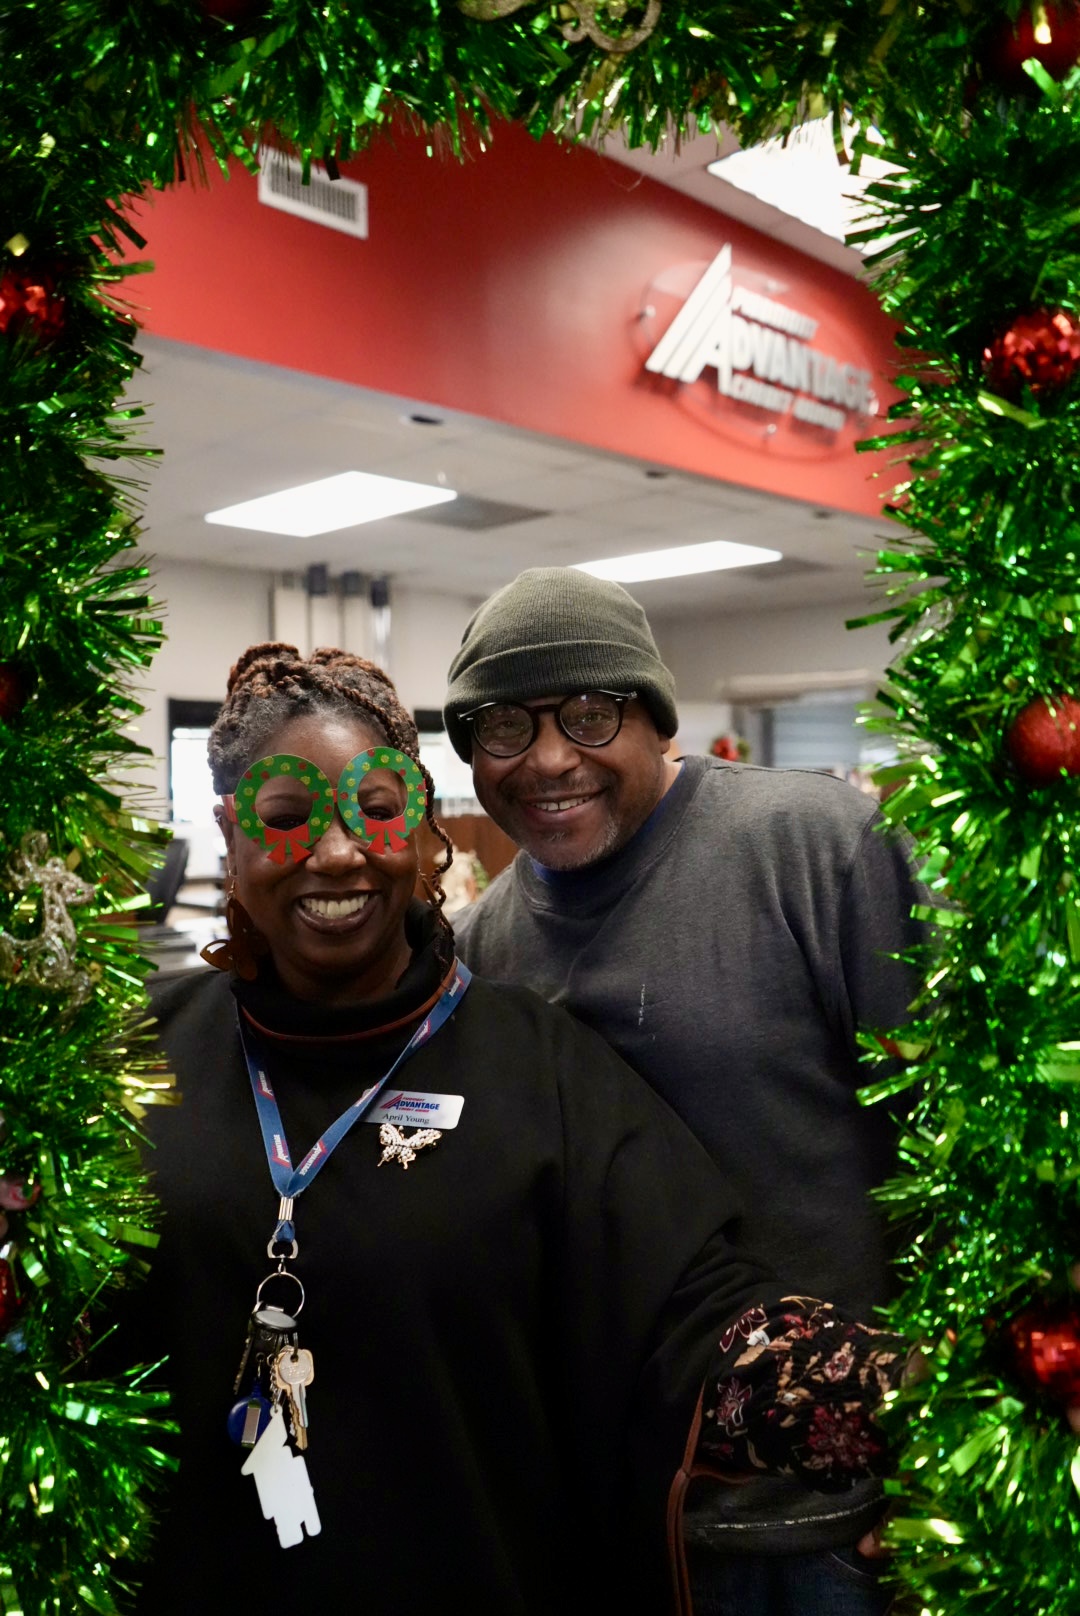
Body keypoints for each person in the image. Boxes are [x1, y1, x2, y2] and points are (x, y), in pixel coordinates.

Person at [134, 641, 916, 1616]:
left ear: (424, 827)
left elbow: (695, 1329)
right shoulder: (132, 1055)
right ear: (230, 832)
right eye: (287, 816)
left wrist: (929, 1402)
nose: (336, 852)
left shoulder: (539, 1064)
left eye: (375, 809)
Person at [442, 568, 929, 1616]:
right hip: (629, 1516)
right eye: (504, 726)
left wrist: (958, 1436)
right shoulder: (482, 947)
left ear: (655, 719)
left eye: (589, 712)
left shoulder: (814, 846)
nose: (549, 758)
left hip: (841, 1513)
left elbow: (957, 1142)